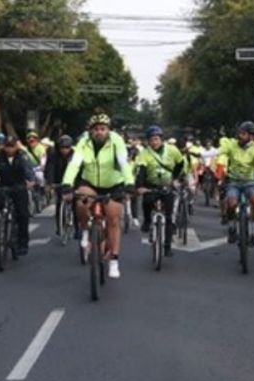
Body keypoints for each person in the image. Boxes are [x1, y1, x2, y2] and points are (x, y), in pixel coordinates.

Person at [62, 113, 135, 279]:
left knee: (113, 220)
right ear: (91, 131)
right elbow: (74, 164)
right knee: (80, 202)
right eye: (96, 129)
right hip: (91, 183)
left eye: (103, 129)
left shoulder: (116, 141)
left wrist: (130, 183)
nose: (99, 132)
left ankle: (114, 261)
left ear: (108, 130)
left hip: (113, 184)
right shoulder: (84, 142)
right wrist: (67, 183)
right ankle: (86, 231)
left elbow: (123, 163)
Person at [202, 121, 254, 240]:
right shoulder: (231, 145)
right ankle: (232, 226)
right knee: (231, 204)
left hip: (250, 183)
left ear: (250, 136)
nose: (240, 136)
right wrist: (202, 154)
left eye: (243, 134)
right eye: (239, 133)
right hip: (234, 182)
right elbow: (216, 152)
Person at [135, 126, 185, 256]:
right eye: (151, 140)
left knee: (168, 217)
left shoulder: (172, 150)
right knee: (147, 200)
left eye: (156, 139)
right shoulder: (144, 153)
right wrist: (140, 186)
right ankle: (146, 220)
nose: (154, 142)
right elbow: (141, 171)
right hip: (151, 185)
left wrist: (175, 178)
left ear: (161, 139)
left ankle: (167, 247)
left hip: (167, 185)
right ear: (148, 141)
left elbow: (180, 163)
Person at [45, 135, 76, 238]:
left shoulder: (75, 155)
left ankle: (77, 226)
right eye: (62, 147)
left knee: (76, 203)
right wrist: (49, 183)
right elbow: (50, 168)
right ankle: (60, 226)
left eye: (67, 147)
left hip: (72, 180)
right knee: (59, 202)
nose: (64, 150)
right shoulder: (53, 154)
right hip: (58, 179)